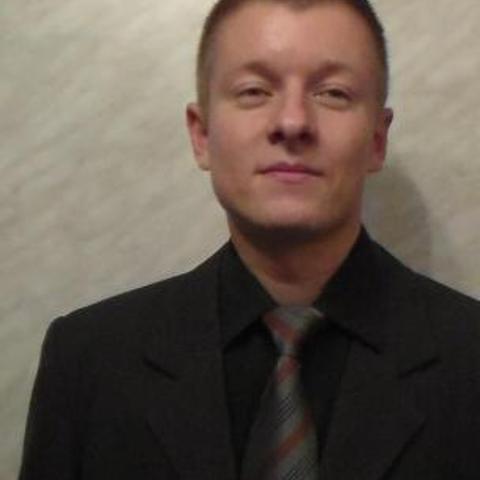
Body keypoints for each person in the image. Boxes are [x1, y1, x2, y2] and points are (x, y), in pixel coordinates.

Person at [19, 0, 480, 479]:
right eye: (255, 91)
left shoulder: (470, 360)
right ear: (202, 135)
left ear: (377, 141)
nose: (293, 122)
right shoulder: (91, 362)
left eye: (333, 93)